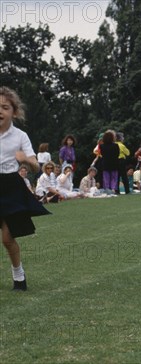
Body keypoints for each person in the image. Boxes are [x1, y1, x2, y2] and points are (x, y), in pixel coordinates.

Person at [0, 86, 51, 291]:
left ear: (14, 111)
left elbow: (36, 165)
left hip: (11, 186)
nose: (0, 111)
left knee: (7, 238)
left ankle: (18, 274)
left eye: (5, 107)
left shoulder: (20, 136)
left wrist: (25, 160)